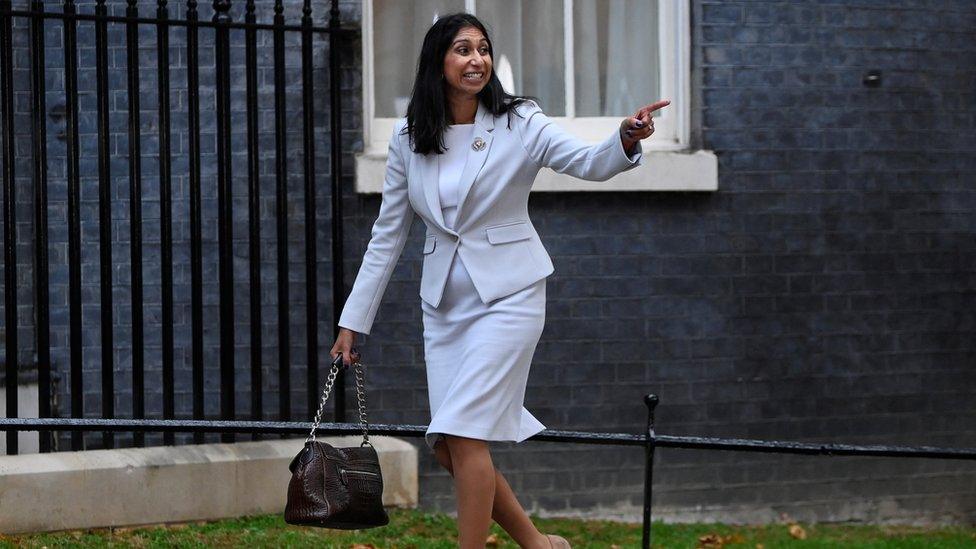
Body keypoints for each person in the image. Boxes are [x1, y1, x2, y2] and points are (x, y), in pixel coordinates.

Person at [330, 12, 669, 549]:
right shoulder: (408, 136)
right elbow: (388, 235)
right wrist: (354, 321)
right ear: (438, 62)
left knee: (464, 436)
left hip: (509, 297)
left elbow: (583, 160)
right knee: (449, 446)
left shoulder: (520, 120)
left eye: (483, 49)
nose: (477, 59)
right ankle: (537, 544)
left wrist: (624, 138)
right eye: (463, 49)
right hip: (443, 308)